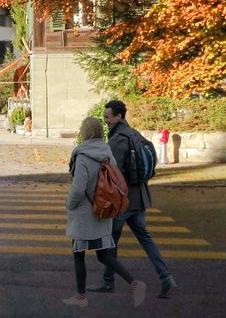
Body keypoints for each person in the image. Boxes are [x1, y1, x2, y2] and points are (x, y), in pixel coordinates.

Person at [94, 100, 178, 298]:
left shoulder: (117, 140)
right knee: (145, 239)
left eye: (108, 117)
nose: (105, 120)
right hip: (140, 198)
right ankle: (166, 277)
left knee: (110, 241)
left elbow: (111, 173)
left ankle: (108, 282)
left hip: (122, 201)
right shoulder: (136, 134)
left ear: (119, 116)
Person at [65, 116, 145, 308]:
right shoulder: (107, 151)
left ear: (85, 132)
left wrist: (70, 204)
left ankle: (81, 298)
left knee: (78, 254)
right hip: (103, 211)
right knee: (104, 255)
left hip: (85, 215)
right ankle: (135, 283)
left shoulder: (82, 155)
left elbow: (78, 188)